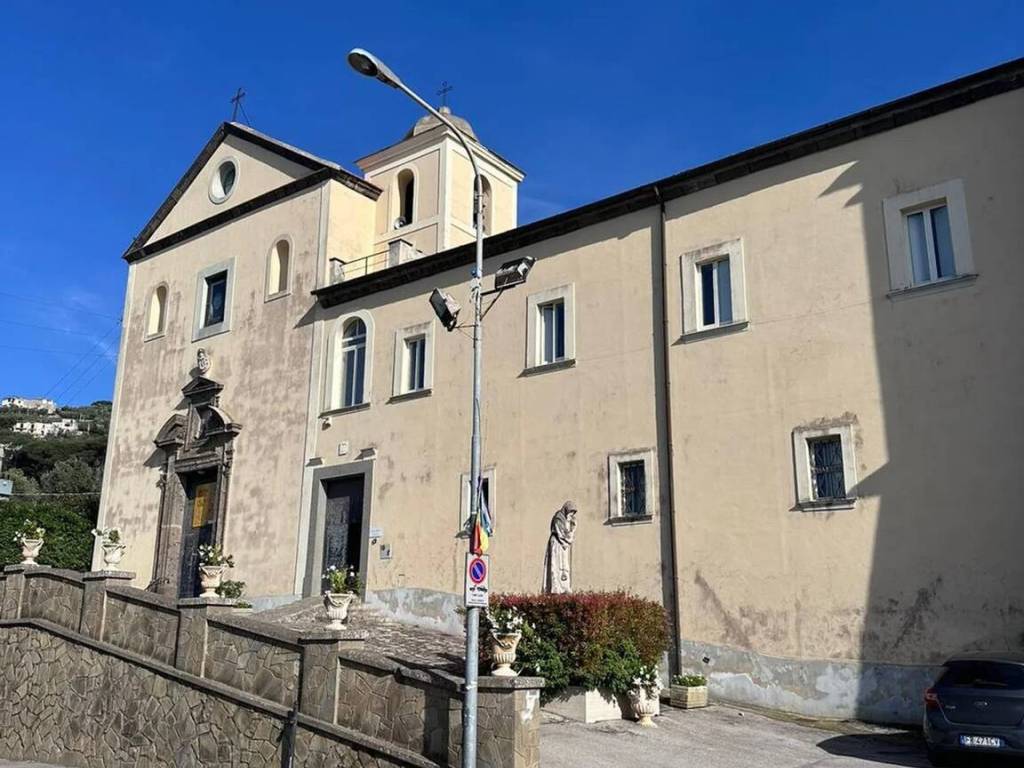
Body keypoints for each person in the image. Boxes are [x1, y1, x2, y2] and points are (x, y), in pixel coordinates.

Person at [543, 501, 577, 594]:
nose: (571, 515)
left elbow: (569, 533)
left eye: (573, 513)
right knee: (556, 565)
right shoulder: (558, 518)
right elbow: (561, 534)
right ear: (566, 510)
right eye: (570, 512)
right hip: (557, 544)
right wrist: (570, 534)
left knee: (564, 565)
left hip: (563, 546)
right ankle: (556, 588)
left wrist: (572, 525)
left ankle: (564, 586)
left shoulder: (568, 520)